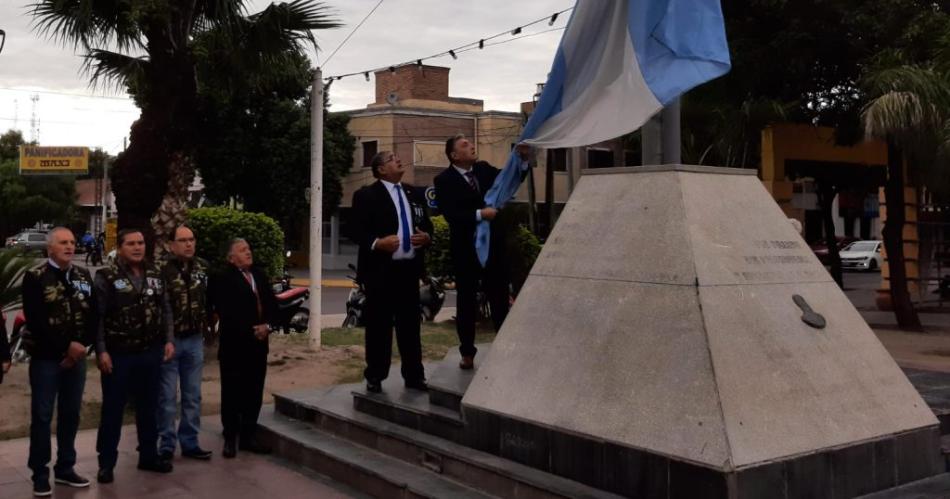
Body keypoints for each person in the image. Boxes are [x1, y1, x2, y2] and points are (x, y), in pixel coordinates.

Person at [433, 135, 530, 369]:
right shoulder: (443, 180)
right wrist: (480, 215)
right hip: (466, 249)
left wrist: (522, 159)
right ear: (454, 155)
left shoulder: (484, 169)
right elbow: (451, 214)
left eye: (471, 143)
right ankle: (467, 352)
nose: (472, 146)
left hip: (494, 247)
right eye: (465, 145)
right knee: (466, 302)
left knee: (498, 296)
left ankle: (503, 347)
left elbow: (508, 179)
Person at [94, 228, 175, 484]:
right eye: (131, 244)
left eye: (141, 243)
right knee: (113, 411)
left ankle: (148, 456)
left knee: (149, 407)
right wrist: (101, 349)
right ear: (120, 247)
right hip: (119, 354)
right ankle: (106, 464)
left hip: (150, 351)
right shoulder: (106, 276)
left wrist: (169, 340)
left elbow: (166, 309)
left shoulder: (155, 273)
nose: (138, 247)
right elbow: (97, 317)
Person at [20, 227, 96, 497]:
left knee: (71, 413)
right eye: (63, 242)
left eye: (73, 242)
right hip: (46, 360)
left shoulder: (83, 275)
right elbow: (36, 320)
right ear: (50, 248)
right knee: (42, 416)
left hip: (77, 359)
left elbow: (93, 316)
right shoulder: (35, 277)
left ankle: (66, 467)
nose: (69, 246)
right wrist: (66, 348)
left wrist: (81, 347)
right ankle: (40, 473)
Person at [350, 151, 433, 394]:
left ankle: (414, 375)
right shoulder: (366, 195)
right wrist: (377, 243)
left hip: (409, 271)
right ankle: (375, 375)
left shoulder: (413, 193)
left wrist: (427, 237)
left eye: (398, 156)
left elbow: (426, 224)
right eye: (391, 158)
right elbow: (355, 230)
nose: (398, 159)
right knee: (379, 327)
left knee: (410, 327)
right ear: (380, 170)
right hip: (380, 273)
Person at [208, 238, 277, 458]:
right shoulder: (222, 279)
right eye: (242, 250)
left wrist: (268, 326)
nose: (248, 252)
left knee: (254, 391)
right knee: (232, 392)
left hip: (259, 345)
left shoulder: (259, 275)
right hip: (234, 346)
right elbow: (226, 311)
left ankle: (248, 435)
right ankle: (230, 437)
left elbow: (272, 306)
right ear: (231, 257)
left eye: (249, 248)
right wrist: (251, 330)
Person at [157, 226, 213, 461]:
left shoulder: (202, 267)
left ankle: (190, 442)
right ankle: (167, 443)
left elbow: (209, 300)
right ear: (171, 245)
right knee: (168, 396)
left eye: (191, 239)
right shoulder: (161, 271)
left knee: (193, 395)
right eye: (182, 240)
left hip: (194, 340)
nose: (188, 244)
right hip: (170, 342)